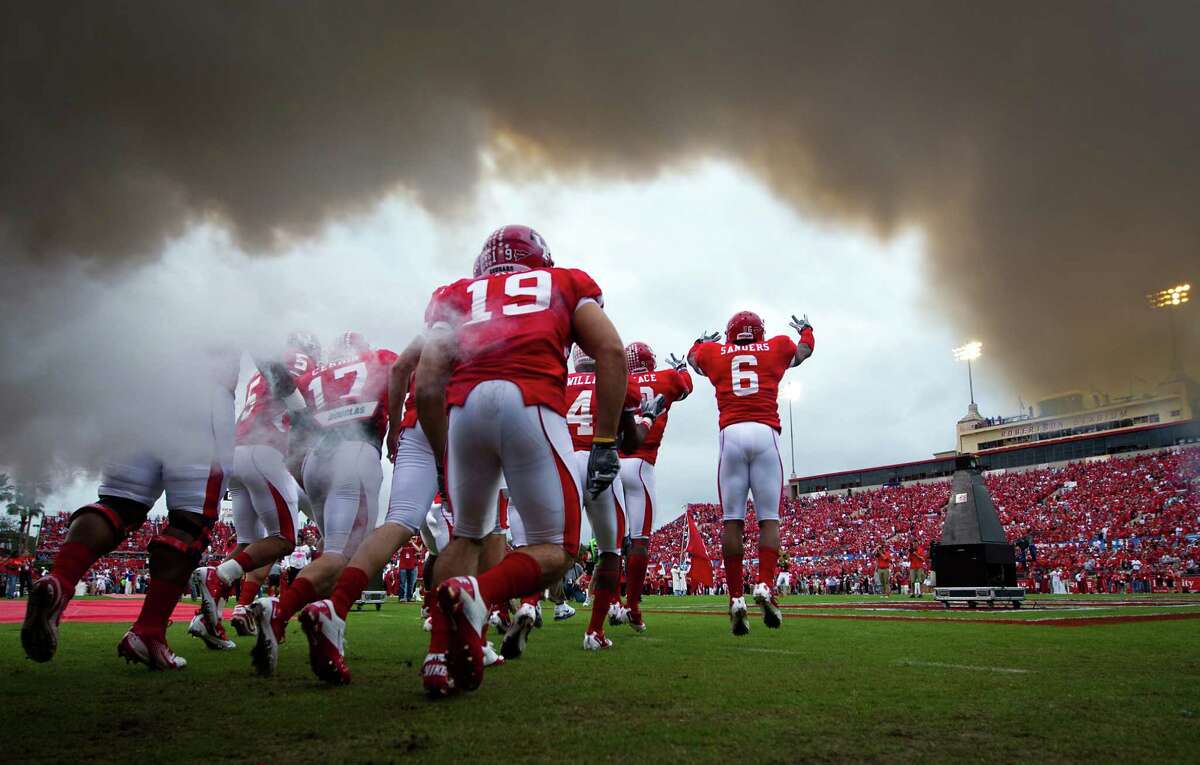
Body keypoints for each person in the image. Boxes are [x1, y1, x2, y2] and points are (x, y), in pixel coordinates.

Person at [414, 224, 627, 696]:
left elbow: (427, 379)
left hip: (464, 410)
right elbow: (611, 351)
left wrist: (440, 453)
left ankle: (437, 654)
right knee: (558, 548)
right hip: (530, 402)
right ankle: (480, 596)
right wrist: (606, 440)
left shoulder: (458, 294)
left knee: (467, 534)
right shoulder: (565, 282)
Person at [21, 350, 238, 669]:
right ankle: (149, 632)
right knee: (191, 523)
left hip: (138, 391)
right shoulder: (235, 305)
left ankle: (60, 580)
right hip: (203, 397)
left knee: (117, 503)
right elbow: (269, 356)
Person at [248, 332, 398, 677]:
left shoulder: (312, 376)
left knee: (334, 557)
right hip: (356, 451)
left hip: (316, 460)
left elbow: (292, 422)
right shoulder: (379, 358)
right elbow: (405, 371)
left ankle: (329, 639)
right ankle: (281, 611)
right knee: (341, 558)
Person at [688, 311, 814, 635]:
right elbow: (804, 351)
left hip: (731, 435)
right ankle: (765, 584)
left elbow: (692, 359)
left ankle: (735, 598)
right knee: (768, 518)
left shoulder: (716, 354)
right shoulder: (777, 346)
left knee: (732, 520)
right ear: (760, 332)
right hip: (765, 433)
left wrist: (700, 341)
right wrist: (806, 330)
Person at [190, 333, 318, 649]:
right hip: (265, 452)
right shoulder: (304, 364)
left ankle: (204, 618)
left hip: (237, 454)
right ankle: (217, 576)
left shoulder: (259, 375)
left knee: (248, 543)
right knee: (284, 539)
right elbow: (304, 411)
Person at [562, 344, 660, 649]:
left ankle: (524, 604)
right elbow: (631, 443)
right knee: (610, 551)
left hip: (564, 463)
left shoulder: (558, 381)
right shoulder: (618, 379)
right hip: (601, 463)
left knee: (549, 546)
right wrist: (647, 419)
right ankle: (594, 631)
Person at [616, 341, 691, 633]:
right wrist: (681, 368)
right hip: (641, 465)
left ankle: (610, 601)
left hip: (613, 463)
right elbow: (686, 386)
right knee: (640, 540)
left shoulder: (619, 379)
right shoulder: (666, 378)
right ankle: (631, 607)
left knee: (611, 542)